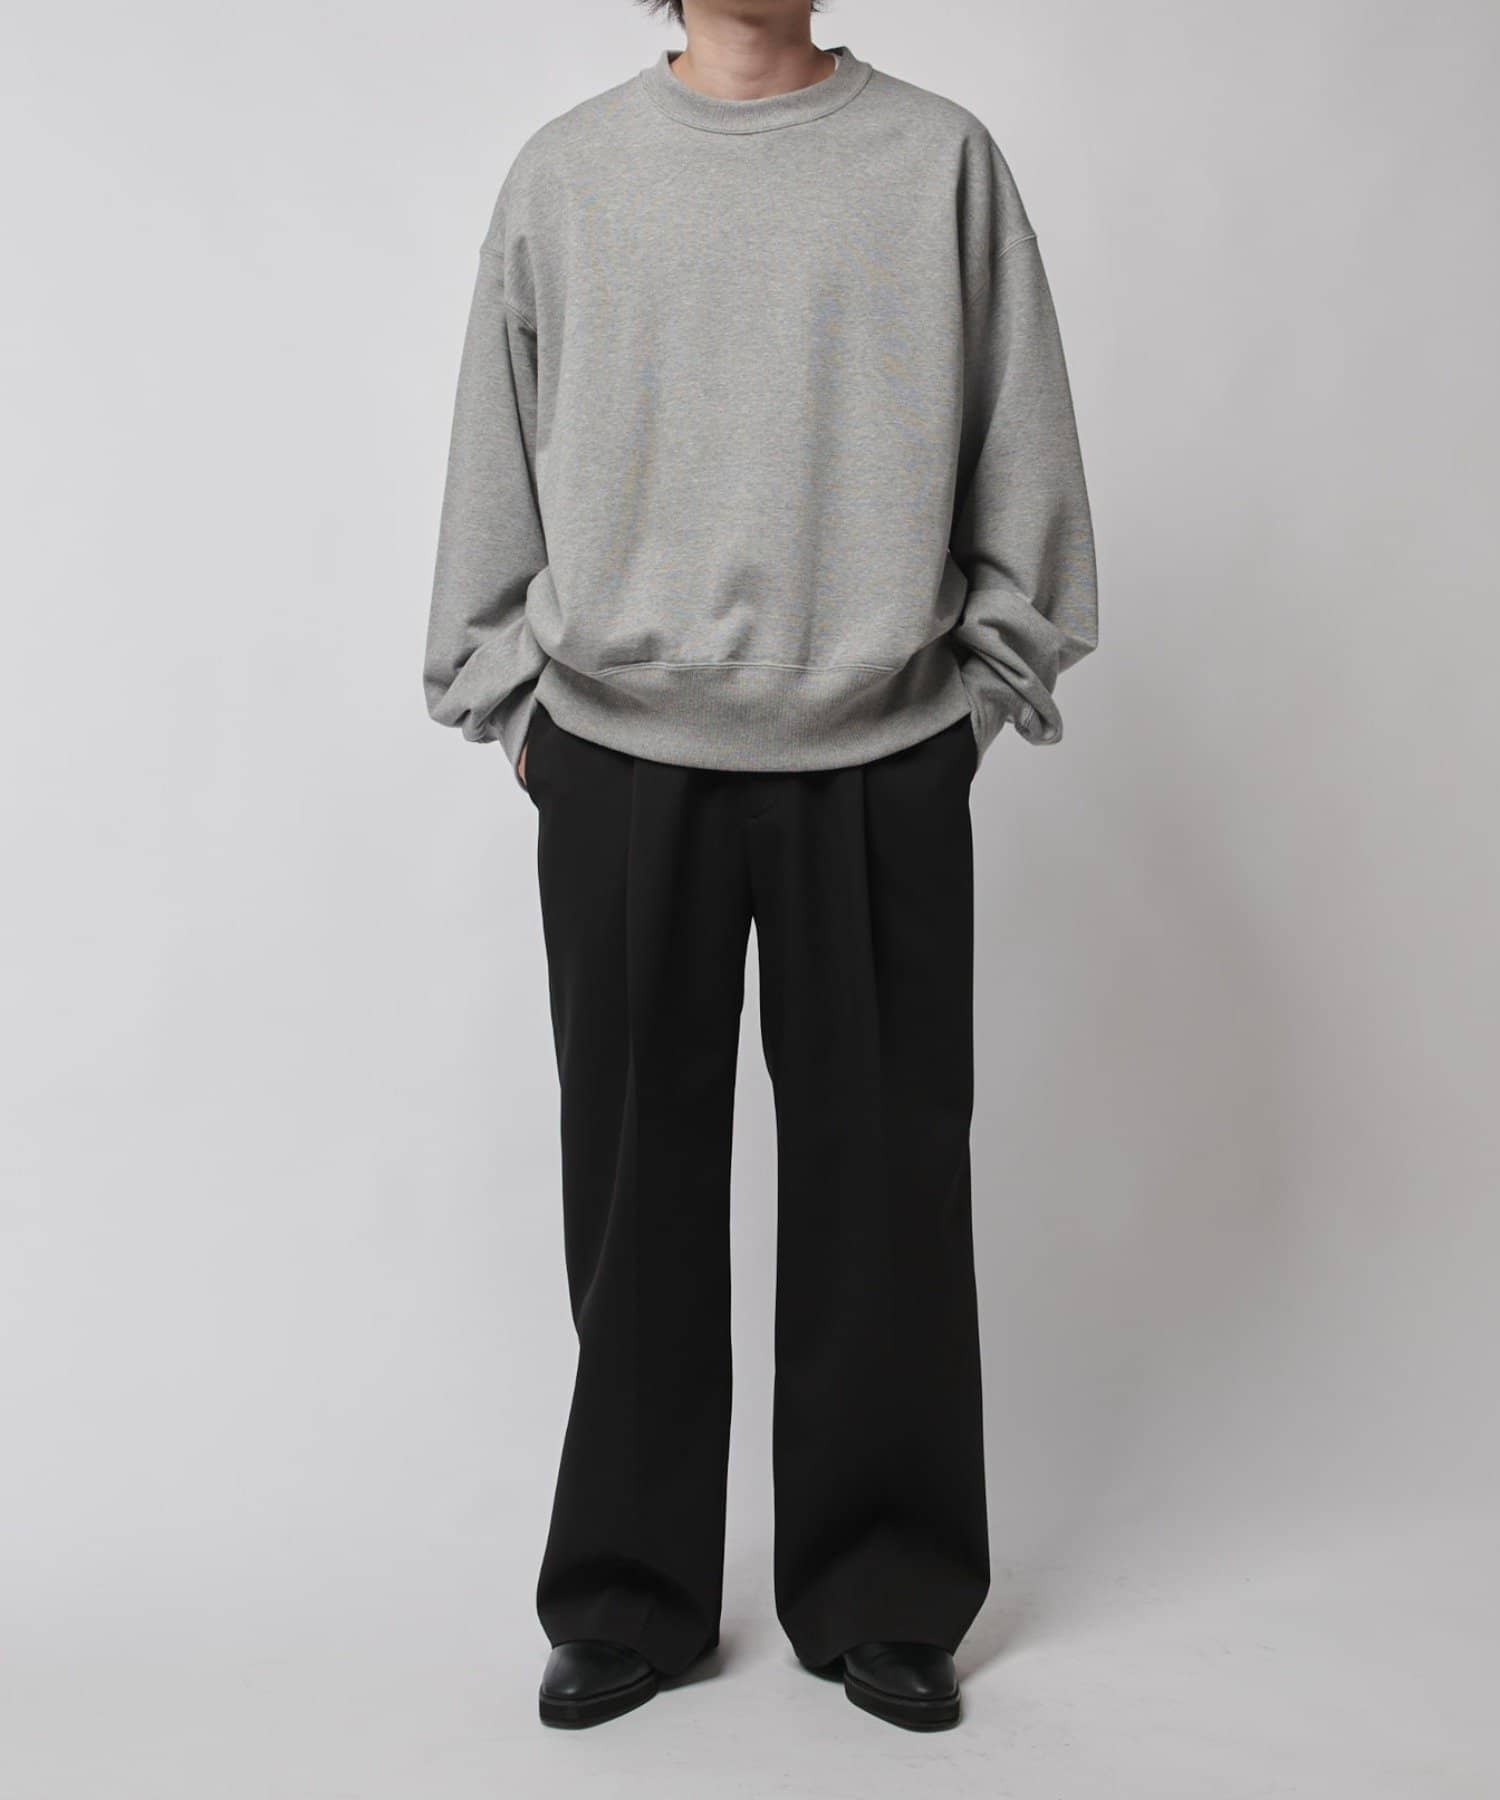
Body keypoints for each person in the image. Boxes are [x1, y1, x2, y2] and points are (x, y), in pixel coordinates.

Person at [423, 0, 1097, 1733]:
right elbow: (496, 457)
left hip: (876, 753)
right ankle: (626, 1595)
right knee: (633, 1193)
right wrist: (519, 707)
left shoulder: (939, 164)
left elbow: (1024, 449)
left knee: (886, 1194)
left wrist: (969, 703)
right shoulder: (571, 175)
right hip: (619, 756)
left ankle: (886, 1588)